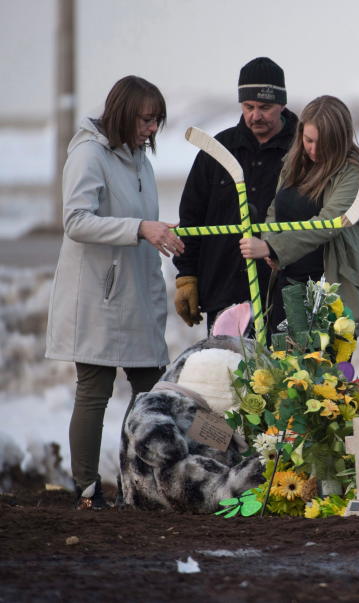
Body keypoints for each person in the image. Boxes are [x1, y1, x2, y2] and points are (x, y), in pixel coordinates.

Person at [45, 75, 184, 510]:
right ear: (123, 113)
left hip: (137, 291)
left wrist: (162, 237)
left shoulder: (139, 158)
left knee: (151, 389)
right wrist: (140, 229)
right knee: (94, 388)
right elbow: (76, 221)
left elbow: (140, 222)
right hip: (98, 296)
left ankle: (136, 482)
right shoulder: (89, 154)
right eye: (146, 119)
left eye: (157, 120)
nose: (152, 129)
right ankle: (87, 488)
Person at [238, 95, 359, 338]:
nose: (314, 150)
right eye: (308, 140)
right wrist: (271, 245)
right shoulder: (295, 162)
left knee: (321, 372)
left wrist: (270, 246)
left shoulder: (357, 175)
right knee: (283, 367)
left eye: (324, 144)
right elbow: (275, 209)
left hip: (331, 290)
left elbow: (327, 224)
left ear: (341, 140)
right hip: (290, 286)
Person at [173, 57, 298, 332]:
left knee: (282, 376)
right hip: (225, 295)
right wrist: (187, 276)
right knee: (225, 373)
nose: (256, 115)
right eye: (248, 107)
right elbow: (192, 216)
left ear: (282, 104)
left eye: (265, 107)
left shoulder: (302, 151)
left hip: (285, 299)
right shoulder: (217, 151)